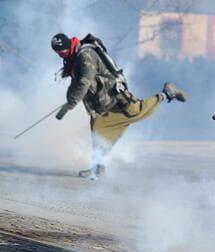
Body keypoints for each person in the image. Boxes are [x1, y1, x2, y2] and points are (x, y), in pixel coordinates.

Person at [51, 33, 188, 179]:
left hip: (114, 95)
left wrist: (72, 101)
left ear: (68, 46)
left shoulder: (85, 55)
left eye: (62, 51)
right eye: (57, 52)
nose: (60, 54)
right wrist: (68, 102)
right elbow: (76, 83)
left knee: (136, 112)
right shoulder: (73, 59)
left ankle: (166, 93)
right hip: (101, 102)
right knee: (98, 130)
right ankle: (97, 167)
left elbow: (85, 80)